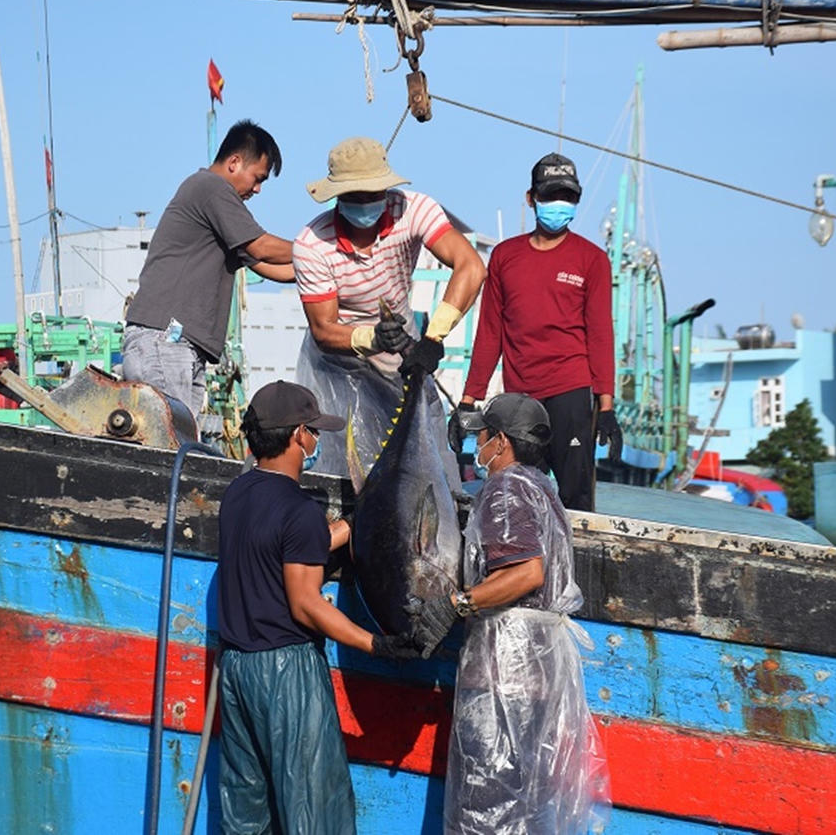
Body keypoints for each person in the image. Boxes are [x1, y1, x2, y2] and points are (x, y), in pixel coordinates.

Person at [216, 380, 421, 835]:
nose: (316, 442)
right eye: (314, 432)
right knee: (313, 811)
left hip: (235, 669)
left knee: (246, 813)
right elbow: (306, 604)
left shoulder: (238, 494)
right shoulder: (298, 509)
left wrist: (354, 522)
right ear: (297, 436)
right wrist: (376, 644)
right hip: (286, 674)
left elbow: (293, 545)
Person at [408, 393, 611, 834]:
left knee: (485, 809)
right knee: (526, 809)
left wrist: (458, 603)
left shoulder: (505, 488)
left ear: (500, 441)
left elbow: (526, 573)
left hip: (506, 674)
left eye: (481, 435)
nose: (476, 444)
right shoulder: (544, 490)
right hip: (539, 674)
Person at [293, 137, 486, 479]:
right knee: (346, 465)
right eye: (355, 197)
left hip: (402, 349)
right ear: (337, 196)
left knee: (426, 461)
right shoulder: (312, 244)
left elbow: (471, 267)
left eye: (373, 195)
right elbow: (323, 329)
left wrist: (434, 337)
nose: (365, 204)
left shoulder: (414, 210)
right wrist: (373, 337)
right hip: (339, 361)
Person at [453, 152, 622, 512]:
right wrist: (469, 400)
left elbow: (600, 334)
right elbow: (489, 333)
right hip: (520, 399)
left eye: (568, 197)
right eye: (549, 196)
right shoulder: (504, 256)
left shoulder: (592, 259)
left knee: (576, 498)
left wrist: (605, 405)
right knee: (516, 496)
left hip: (571, 391)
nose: (558, 205)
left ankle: (574, 567)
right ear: (531, 199)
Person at [123, 120, 296, 418]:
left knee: (180, 446)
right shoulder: (211, 188)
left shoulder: (219, 206)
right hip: (165, 340)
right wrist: (319, 249)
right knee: (167, 447)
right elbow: (261, 247)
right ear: (234, 162)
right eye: (258, 178)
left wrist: (329, 269)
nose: (257, 189)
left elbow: (272, 268)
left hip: (180, 346)